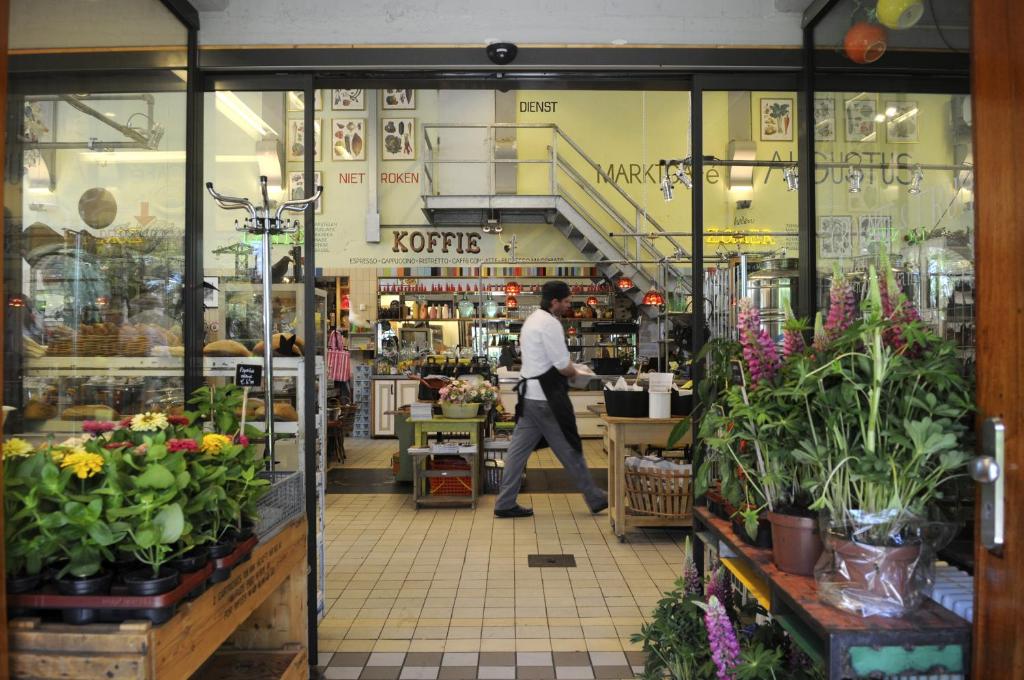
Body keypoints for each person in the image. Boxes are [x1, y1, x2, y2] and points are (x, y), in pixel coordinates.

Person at [494, 281, 608, 518]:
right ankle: (595, 497)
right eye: (566, 301)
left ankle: (505, 502)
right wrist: (579, 374)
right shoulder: (551, 324)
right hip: (547, 400)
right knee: (569, 447)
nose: (568, 306)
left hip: (529, 397)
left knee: (517, 452)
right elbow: (562, 366)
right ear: (554, 301)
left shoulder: (532, 320)